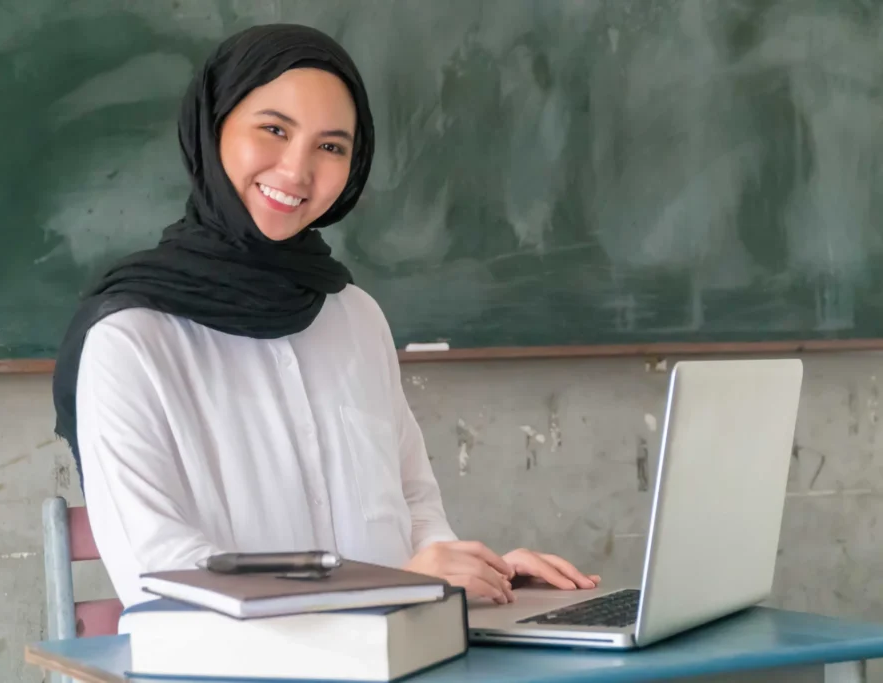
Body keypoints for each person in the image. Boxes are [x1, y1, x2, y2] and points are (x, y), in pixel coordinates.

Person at [51, 23, 599, 610]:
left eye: (331, 146)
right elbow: (161, 575)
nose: (297, 170)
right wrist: (393, 587)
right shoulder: (130, 340)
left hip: (396, 641)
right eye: (274, 130)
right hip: (232, 656)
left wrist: (476, 577)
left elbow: (415, 505)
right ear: (212, 129)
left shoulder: (355, 317)